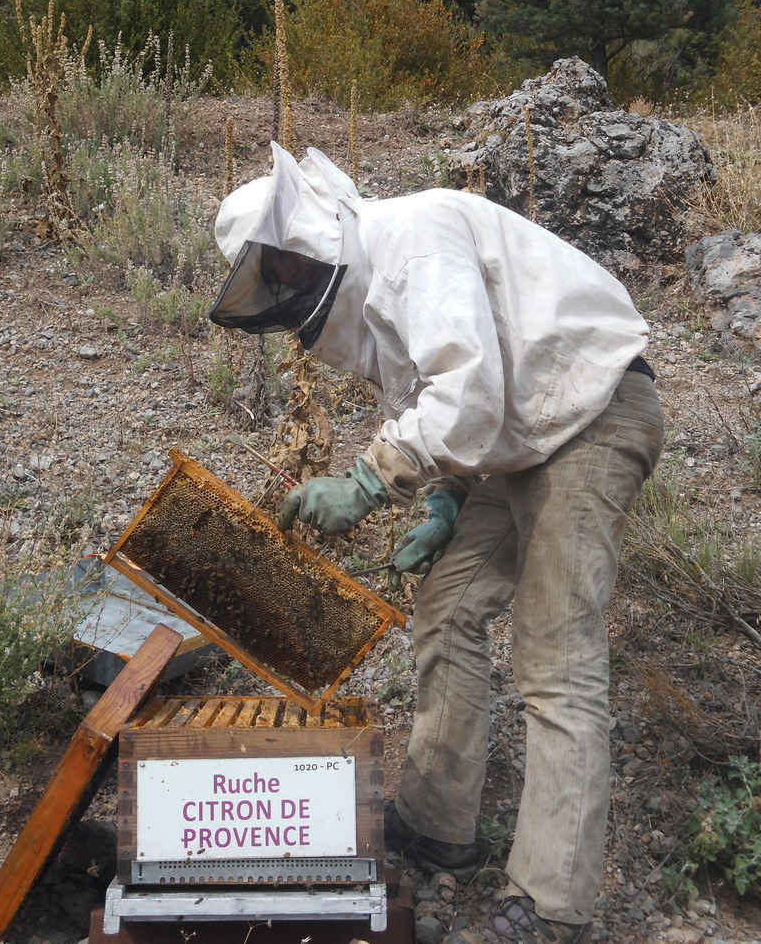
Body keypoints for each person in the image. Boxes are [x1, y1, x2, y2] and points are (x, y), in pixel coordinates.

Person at [209, 142, 664, 944]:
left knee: (555, 654)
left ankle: (550, 903)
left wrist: (368, 481)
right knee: (446, 607)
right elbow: (440, 401)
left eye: (282, 267)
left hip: (593, 413)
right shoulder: (377, 291)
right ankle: (437, 823)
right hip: (525, 435)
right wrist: (446, 502)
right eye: (271, 277)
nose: (282, 285)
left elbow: (469, 392)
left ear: (308, 234)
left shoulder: (414, 238)